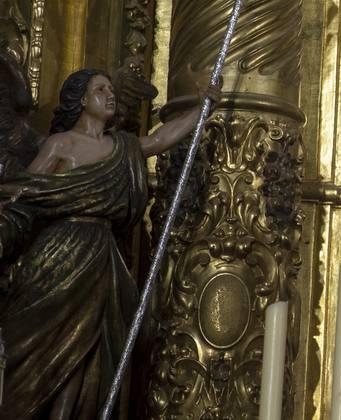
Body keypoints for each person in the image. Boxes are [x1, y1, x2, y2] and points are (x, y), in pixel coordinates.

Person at [0, 68, 218, 419]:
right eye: (100, 89)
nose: (110, 94)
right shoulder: (60, 144)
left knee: (87, 356)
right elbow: (24, 194)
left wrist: (203, 106)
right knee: (44, 352)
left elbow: (161, 140)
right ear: (82, 100)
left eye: (111, 89)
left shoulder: (123, 146)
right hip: (57, 256)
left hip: (101, 261)